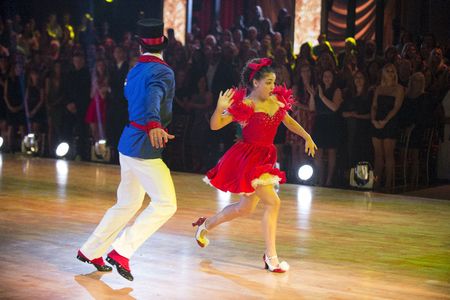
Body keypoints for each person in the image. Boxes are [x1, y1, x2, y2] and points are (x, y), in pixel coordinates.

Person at [192, 58, 317, 273]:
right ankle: (271, 257)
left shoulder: (276, 101)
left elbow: (288, 121)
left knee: (244, 208)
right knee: (273, 203)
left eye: (274, 82)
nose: (272, 86)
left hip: (265, 157)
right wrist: (219, 108)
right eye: (268, 82)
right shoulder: (246, 105)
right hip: (248, 160)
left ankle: (206, 225)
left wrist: (307, 136)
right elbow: (215, 125)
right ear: (255, 82)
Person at [77, 19, 177, 281]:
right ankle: (122, 251)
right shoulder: (163, 72)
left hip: (128, 142)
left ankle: (91, 250)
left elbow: (139, 99)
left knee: (128, 203)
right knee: (166, 203)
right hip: (144, 146)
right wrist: (155, 123)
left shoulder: (134, 69)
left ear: (140, 44)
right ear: (162, 44)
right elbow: (153, 96)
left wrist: (150, 122)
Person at [371, 63, 404, 191]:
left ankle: (389, 184)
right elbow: (374, 105)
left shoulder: (399, 88)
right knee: (378, 155)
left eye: (392, 71)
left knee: (388, 154)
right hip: (377, 121)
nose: (390, 73)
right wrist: (374, 119)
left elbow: (396, 107)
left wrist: (385, 121)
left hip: (390, 123)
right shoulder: (379, 88)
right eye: (388, 71)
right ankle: (376, 182)